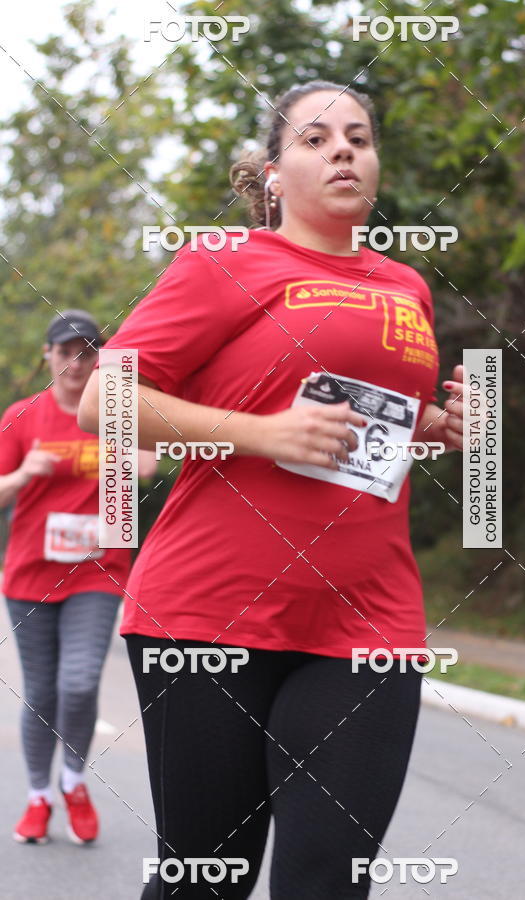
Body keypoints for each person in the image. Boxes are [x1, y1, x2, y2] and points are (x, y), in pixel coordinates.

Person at [79, 81, 465, 898]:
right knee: (207, 880)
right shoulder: (225, 261)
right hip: (211, 609)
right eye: (316, 139)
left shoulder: (408, 286)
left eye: (359, 137)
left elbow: (361, 422)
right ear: (275, 175)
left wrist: (436, 426)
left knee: (328, 879)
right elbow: (101, 401)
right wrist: (262, 434)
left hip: (368, 611)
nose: (342, 150)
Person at [0, 309, 156, 846]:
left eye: (88, 353)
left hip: (98, 570)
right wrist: (24, 473)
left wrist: (130, 418)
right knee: (42, 692)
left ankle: (73, 781)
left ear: (99, 361)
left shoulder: (116, 411)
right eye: (66, 351)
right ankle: (39, 795)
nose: (76, 362)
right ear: (48, 355)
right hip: (30, 574)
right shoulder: (23, 416)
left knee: (79, 682)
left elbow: (148, 465)